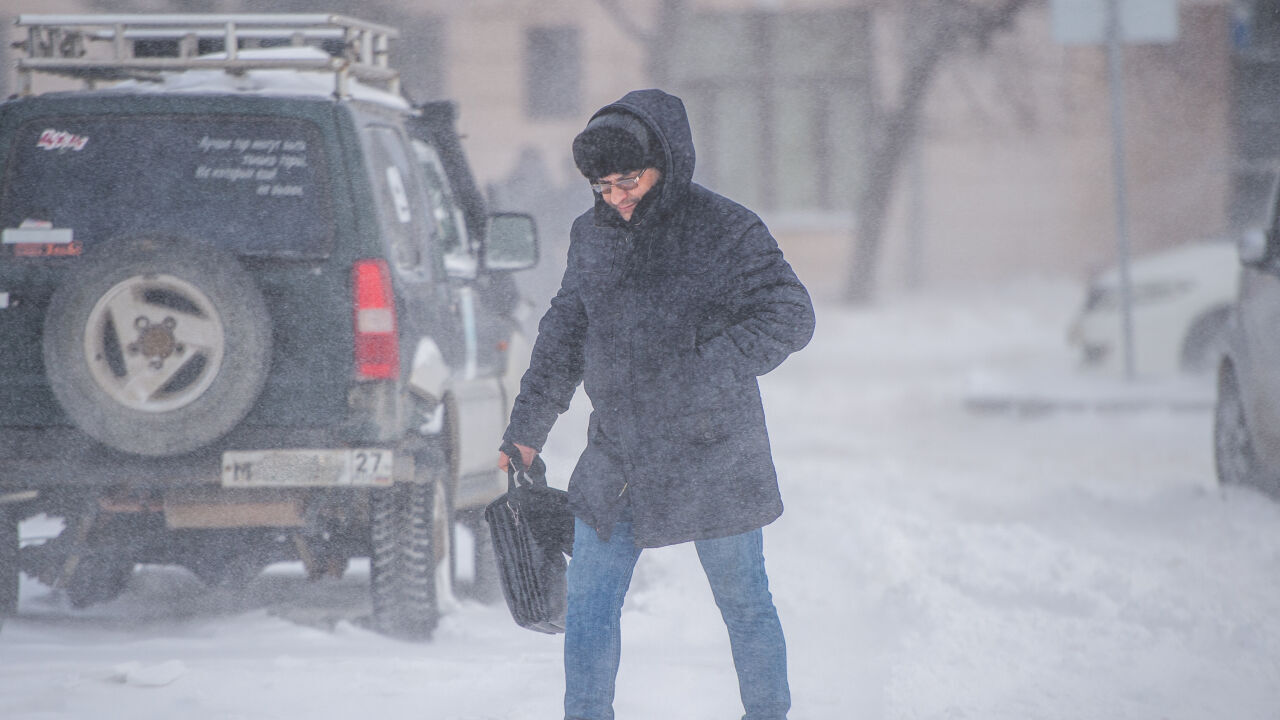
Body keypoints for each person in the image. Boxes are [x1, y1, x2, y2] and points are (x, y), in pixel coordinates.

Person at [498, 89, 815, 720]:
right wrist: (526, 429)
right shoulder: (592, 235)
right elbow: (565, 332)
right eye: (601, 186)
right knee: (589, 603)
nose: (615, 198)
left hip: (713, 450)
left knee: (744, 601)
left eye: (628, 181)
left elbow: (791, 313)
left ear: (666, 163)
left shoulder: (725, 229)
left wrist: (703, 371)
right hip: (618, 452)